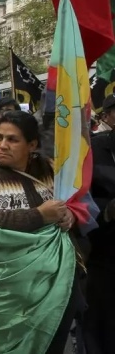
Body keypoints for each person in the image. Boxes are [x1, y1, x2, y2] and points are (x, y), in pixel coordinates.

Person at [0, 110, 81, 354]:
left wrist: (70, 215)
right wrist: (39, 216)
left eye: (12, 140)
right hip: (6, 291)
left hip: (55, 283)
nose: (2, 145)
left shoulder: (49, 168)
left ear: (32, 144)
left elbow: (71, 203)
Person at [84, 96, 115, 354]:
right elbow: (80, 203)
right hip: (104, 257)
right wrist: (108, 211)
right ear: (108, 117)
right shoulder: (93, 151)